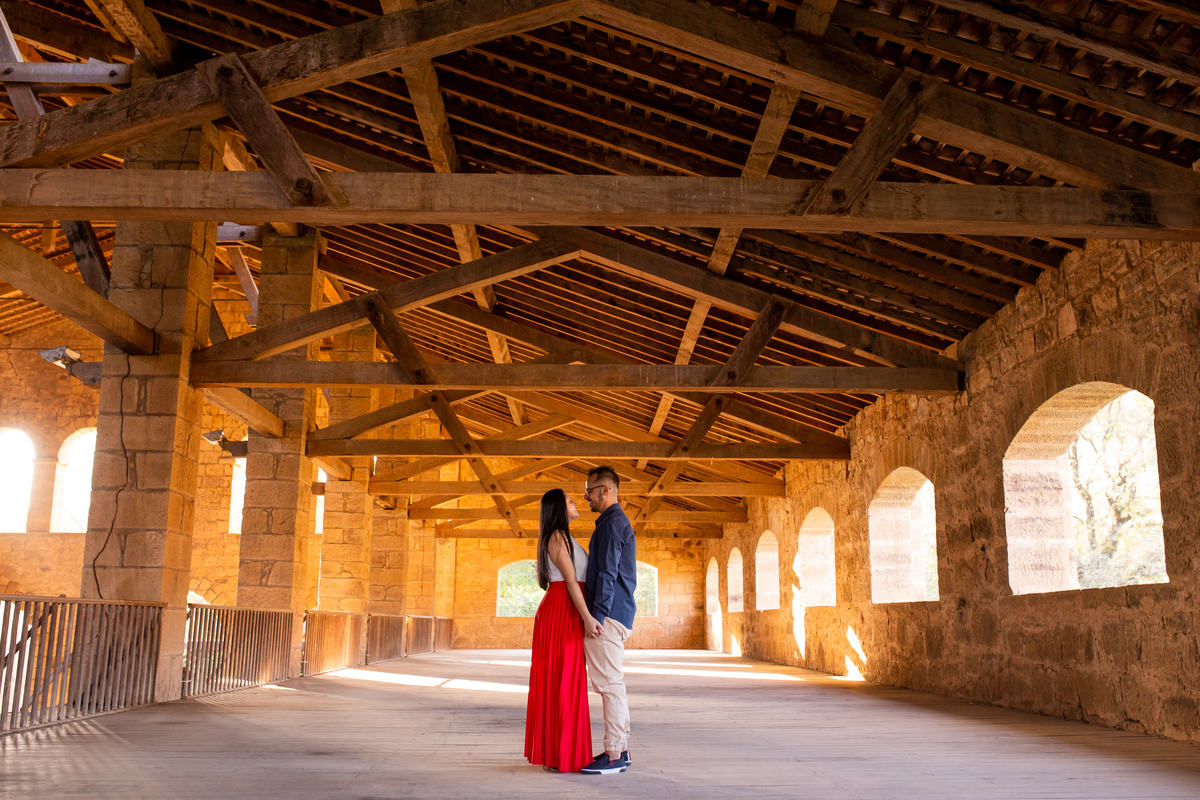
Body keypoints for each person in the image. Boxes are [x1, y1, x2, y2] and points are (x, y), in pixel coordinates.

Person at [524, 488, 603, 773]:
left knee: (566, 680)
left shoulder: (564, 537)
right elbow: (571, 581)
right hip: (562, 610)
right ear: (559, 507)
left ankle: (561, 752)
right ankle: (561, 753)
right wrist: (587, 617)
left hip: (566, 607)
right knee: (564, 679)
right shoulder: (557, 537)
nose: (576, 502)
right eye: (570, 499)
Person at [579, 465, 637, 776]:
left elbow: (607, 572)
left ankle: (614, 754)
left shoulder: (613, 523)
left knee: (609, 684)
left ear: (606, 490)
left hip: (608, 615)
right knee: (613, 683)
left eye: (589, 490)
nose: (585, 496)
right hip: (616, 612)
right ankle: (621, 749)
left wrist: (595, 616)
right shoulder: (611, 522)